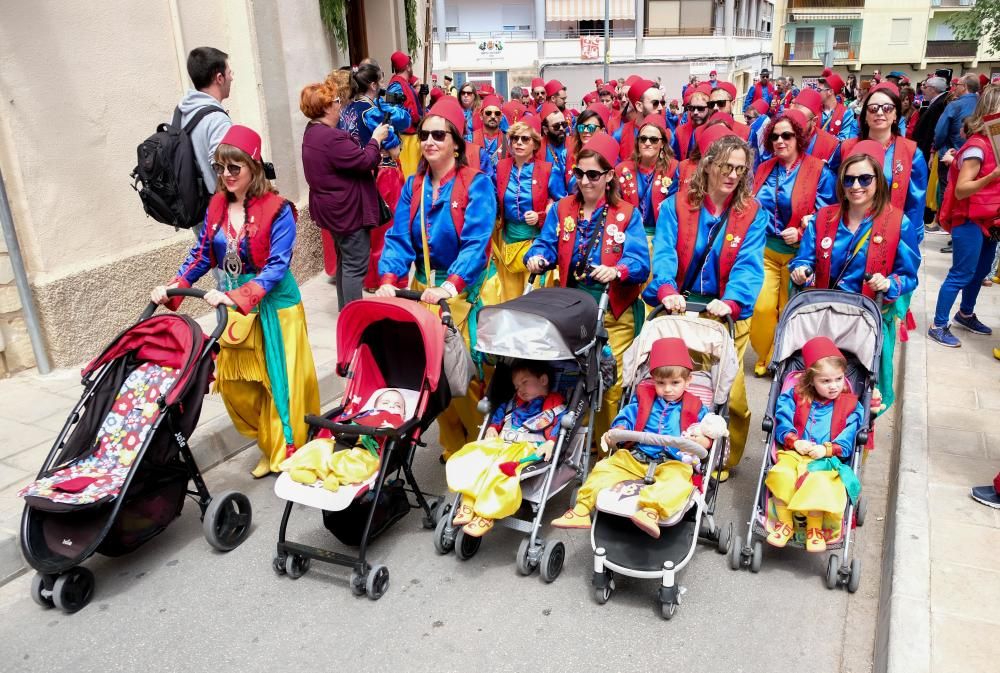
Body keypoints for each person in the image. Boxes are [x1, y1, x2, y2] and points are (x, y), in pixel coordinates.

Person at [151, 125, 320, 477]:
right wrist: (174, 285)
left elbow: (277, 267)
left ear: (253, 167)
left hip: (275, 305)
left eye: (234, 167)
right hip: (235, 308)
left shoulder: (279, 209)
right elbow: (200, 255)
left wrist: (234, 295)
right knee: (236, 386)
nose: (226, 175)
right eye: (220, 168)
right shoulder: (217, 208)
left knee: (280, 383)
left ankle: (284, 448)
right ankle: (268, 441)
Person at [375, 97, 497, 457]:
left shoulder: (476, 184)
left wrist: (451, 284)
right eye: (425, 134)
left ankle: (482, 443)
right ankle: (453, 444)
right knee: (429, 373)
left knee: (467, 373)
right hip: (422, 291)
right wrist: (389, 279)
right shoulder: (413, 186)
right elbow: (397, 237)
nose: (428, 141)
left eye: (438, 135)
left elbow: (477, 242)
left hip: (464, 288)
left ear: (456, 143)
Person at [643, 132, 768, 479]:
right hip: (679, 308)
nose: (732, 175)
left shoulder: (752, 213)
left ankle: (724, 454)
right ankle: (662, 444)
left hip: (725, 313)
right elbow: (665, 251)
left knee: (734, 396)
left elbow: (749, 263)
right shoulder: (675, 205)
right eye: (726, 166)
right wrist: (666, 288)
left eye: (740, 169)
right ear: (709, 165)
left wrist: (731, 301)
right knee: (672, 382)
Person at [524, 133, 650, 441]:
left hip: (613, 310)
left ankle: (609, 442)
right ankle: (572, 440)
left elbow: (639, 261)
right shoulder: (562, 208)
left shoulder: (627, 214)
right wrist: (537, 257)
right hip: (572, 308)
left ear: (609, 176)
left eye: (593, 174)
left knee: (610, 382)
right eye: (579, 173)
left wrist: (617, 269)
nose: (585, 181)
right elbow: (546, 244)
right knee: (568, 376)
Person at [790, 141, 920, 409]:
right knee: (818, 388)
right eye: (848, 179)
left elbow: (908, 275)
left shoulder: (898, 222)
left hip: (867, 321)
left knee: (863, 397)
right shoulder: (823, 217)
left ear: (878, 180)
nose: (855, 185)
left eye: (864, 178)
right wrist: (801, 270)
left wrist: (890, 283)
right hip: (823, 317)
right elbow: (804, 258)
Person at [551, 337, 713, 537]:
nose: (668, 389)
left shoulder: (697, 407)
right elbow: (626, 417)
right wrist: (619, 429)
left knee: (680, 482)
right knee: (605, 468)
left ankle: (651, 512)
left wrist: (702, 441)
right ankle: (582, 509)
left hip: (674, 461)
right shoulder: (643, 400)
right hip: (637, 455)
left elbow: (708, 432)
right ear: (653, 380)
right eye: (661, 383)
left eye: (675, 383)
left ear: (688, 381)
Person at [750, 110, 837, 377]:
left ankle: (785, 358)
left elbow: (828, 215)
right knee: (762, 307)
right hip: (765, 249)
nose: (780, 141)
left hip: (800, 254)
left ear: (798, 138)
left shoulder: (819, 170)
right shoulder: (764, 168)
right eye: (774, 136)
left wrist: (802, 231)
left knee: (793, 311)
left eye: (786, 135)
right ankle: (765, 353)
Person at [446, 360, 568, 537]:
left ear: (543, 380)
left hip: (526, 448)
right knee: (473, 458)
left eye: (525, 382)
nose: (520, 389)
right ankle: (468, 502)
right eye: (517, 386)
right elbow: (500, 413)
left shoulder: (553, 403)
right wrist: (493, 427)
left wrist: (551, 442)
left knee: (501, 471)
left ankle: (487, 514)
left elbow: (559, 423)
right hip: (501, 444)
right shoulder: (513, 402)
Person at [765, 337, 864, 552]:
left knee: (818, 482)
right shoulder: (795, 396)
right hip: (795, 453)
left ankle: (814, 529)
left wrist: (827, 449)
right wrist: (793, 440)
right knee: (781, 474)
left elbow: (849, 436)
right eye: (826, 381)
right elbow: (782, 419)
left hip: (827, 458)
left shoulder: (850, 405)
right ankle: (786, 523)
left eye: (838, 379)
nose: (833, 386)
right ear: (811, 380)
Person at [301, 77, 389, 309]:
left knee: (345, 261)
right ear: (327, 106)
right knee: (355, 264)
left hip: (332, 209)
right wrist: (375, 140)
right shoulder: (331, 137)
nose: (341, 105)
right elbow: (365, 161)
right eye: (337, 101)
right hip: (347, 211)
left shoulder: (312, 132)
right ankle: (354, 318)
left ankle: (346, 310)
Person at [929, 86, 1000, 350]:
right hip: (969, 219)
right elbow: (962, 188)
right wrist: (993, 176)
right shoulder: (977, 147)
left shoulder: (991, 145)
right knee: (961, 273)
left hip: (989, 219)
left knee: (981, 270)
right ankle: (938, 325)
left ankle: (965, 314)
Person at [841, 85, 928, 240]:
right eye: (873, 108)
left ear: (896, 115)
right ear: (865, 116)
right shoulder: (846, 148)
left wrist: (910, 238)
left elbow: (916, 203)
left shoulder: (911, 152)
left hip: (890, 233)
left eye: (887, 108)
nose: (880, 112)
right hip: (848, 232)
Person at [179, 47, 234, 289]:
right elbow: (225, 167)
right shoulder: (215, 118)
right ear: (218, 77)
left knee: (221, 273)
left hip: (199, 209)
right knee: (233, 279)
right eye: (229, 72)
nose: (232, 77)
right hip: (220, 211)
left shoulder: (184, 112)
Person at [490, 117, 561, 302]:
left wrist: (542, 216)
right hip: (508, 242)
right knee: (509, 298)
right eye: (515, 139)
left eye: (525, 139)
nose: (519, 143)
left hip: (535, 244)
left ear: (535, 144)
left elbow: (562, 205)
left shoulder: (548, 169)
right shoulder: (501, 167)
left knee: (534, 300)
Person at [616, 114, 678, 247]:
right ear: (637, 142)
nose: (647, 143)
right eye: (643, 139)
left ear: (662, 144)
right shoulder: (622, 169)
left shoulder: (674, 169)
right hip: (629, 237)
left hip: (662, 238)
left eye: (654, 140)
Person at [386, 51, 424, 178]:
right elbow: (392, 112)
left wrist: (418, 94)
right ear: (408, 66)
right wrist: (415, 118)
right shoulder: (395, 86)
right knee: (409, 178)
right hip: (405, 140)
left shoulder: (404, 83)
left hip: (411, 138)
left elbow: (408, 102)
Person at [790, 88, 842, 172]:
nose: (794, 126)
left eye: (800, 121)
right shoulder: (783, 136)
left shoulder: (831, 145)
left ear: (814, 121)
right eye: (792, 119)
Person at [615, 79, 665, 160]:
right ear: (639, 106)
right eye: (655, 103)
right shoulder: (619, 135)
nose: (660, 107)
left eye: (662, 103)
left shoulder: (667, 135)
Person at [566, 104, 610, 191]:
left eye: (591, 128)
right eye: (582, 127)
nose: (585, 131)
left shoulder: (609, 157)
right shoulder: (566, 154)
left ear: (602, 131)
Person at [673, 84, 713, 161]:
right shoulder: (679, 131)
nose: (695, 112)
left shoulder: (715, 132)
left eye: (700, 108)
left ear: (709, 108)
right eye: (692, 108)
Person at [819, 72, 858, 141]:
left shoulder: (846, 113)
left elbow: (844, 140)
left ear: (830, 92)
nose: (817, 92)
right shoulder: (815, 109)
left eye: (820, 90)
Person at [473, 94, 506, 170]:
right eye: (488, 113)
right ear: (481, 115)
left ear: (501, 117)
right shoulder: (470, 139)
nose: (493, 116)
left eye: (497, 113)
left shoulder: (508, 141)